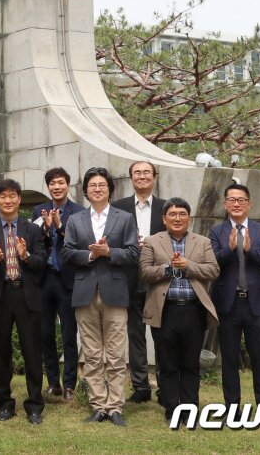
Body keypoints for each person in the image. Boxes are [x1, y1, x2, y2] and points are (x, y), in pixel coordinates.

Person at [62, 166, 139, 427]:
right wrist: (91, 255)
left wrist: (109, 252)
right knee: (92, 354)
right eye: (92, 185)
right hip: (85, 292)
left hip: (115, 292)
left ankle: (115, 406)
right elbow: (67, 253)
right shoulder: (75, 220)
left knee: (117, 354)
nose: (97, 189)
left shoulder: (124, 217)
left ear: (109, 189)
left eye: (102, 185)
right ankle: (98, 405)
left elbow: (133, 253)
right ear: (85, 191)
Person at [0, 177, 47, 425]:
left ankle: (34, 406)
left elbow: (41, 263)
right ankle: (4, 404)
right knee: (1, 353)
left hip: (26, 295)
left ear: (19, 199)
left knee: (32, 353)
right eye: (2, 196)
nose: (7, 200)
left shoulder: (32, 230)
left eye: (12, 196)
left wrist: (25, 256)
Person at [139, 197, 218, 419]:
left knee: (191, 364)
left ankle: (190, 410)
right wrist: (166, 268)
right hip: (165, 311)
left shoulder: (202, 242)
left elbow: (213, 270)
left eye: (182, 214)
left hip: (193, 311)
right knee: (168, 364)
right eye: (172, 214)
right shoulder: (152, 241)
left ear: (189, 218)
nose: (177, 218)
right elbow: (144, 273)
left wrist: (188, 266)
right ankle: (172, 409)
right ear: (164, 219)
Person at [209, 183, 260, 408]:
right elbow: (212, 264)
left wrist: (250, 250)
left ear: (249, 204)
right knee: (229, 360)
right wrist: (229, 249)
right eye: (231, 200)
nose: (236, 204)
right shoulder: (216, 232)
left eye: (241, 200)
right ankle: (232, 407)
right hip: (228, 304)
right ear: (225, 204)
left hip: (254, 303)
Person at [112, 159, 166, 403]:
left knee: (162, 334)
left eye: (147, 172)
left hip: (159, 281)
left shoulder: (167, 208)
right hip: (129, 279)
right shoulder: (118, 208)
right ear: (131, 178)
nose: (142, 176)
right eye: (137, 173)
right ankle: (140, 386)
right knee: (135, 334)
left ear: (154, 177)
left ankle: (165, 386)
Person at [34, 166, 81, 402]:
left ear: (68, 184)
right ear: (48, 187)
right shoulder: (38, 210)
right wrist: (46, 228)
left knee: (69, 334)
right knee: (45, 334)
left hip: (68, 280)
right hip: (44, 279)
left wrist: (60, 228)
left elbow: (78, 242)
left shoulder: (79, 212)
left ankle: (70, 383)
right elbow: (34, 242)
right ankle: (53, 382)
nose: (57, 186)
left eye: (60, 182)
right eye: (52, 183)